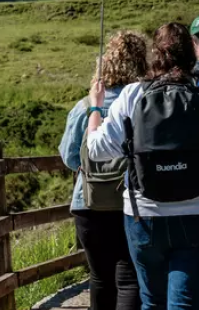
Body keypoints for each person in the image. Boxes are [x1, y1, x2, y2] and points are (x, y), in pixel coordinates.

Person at [86, 23, 199, 310]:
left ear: (156, 54)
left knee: (152, 302)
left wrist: (95, 109)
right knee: (186, 303)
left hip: (145, 215)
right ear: (191, 52)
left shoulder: (132, 95)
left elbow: (97, 151)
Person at [59, 31, 147, 310]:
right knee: (129, 278)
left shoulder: (86, 107)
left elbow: (70, 157)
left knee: (99, 279)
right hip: (130, 202)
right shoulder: (142, 102)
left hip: (88, 203)